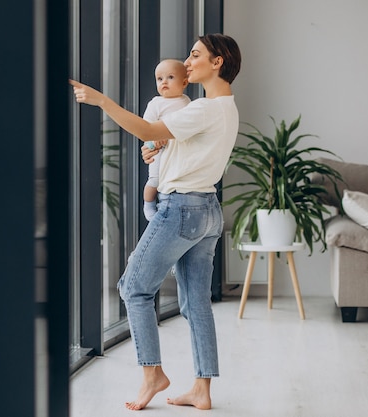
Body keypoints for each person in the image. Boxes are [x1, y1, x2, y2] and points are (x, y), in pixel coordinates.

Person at [70, 33, 241, 411]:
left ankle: (152, 374)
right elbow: (178, 143)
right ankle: (202, 389)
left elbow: (147, 130)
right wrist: (163, 148)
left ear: (217, 62)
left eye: (195, 54)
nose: (188, 60)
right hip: (208, 209)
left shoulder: (204, 108)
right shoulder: (225, 107)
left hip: (181, 209)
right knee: (196, 301)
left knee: (133, 288)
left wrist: (101, 100)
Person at [141, 59, 190, 221]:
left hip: (178, 152)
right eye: (160, 79)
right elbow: (145, 127)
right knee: (154, 180)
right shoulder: (156, 103)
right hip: (158, 149)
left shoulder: (187, 103)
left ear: (184, 82)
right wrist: (152, 142)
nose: (164, 82)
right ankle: (148, 204)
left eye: (170, 77)